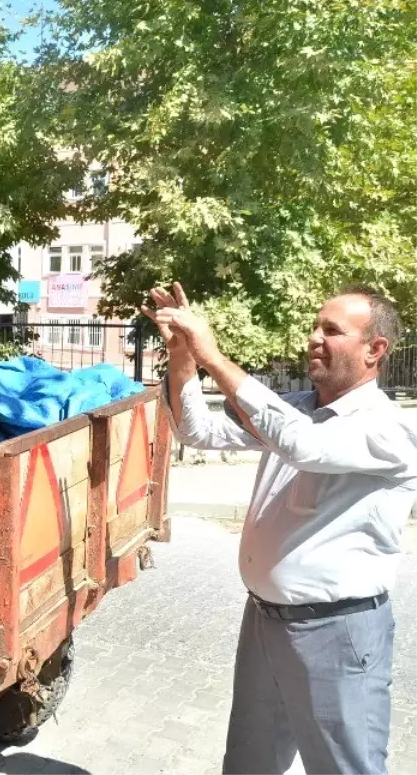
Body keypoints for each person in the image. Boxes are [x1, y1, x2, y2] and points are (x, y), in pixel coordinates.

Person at [142, 282, 416, 775]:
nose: (314, 338)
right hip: (266, 622)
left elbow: (303, 446)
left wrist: (213, 355)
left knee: (343, 767)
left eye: (332, 330)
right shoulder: (295, 406)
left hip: (337, 632)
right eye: (315, 326)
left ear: (375, 350)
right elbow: (196, 432)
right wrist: (183, 355)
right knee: (250, 762)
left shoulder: (389, 428)